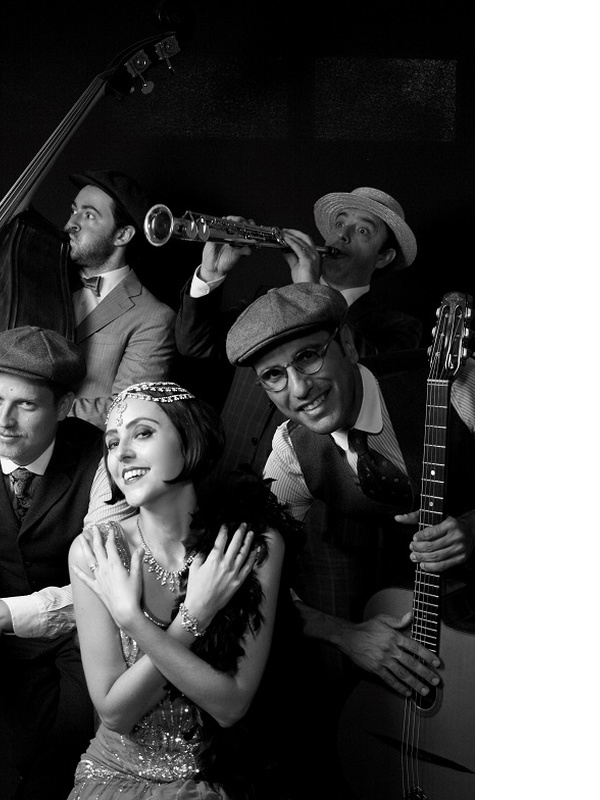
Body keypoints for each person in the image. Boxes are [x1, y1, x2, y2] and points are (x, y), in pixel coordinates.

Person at [225, 282, 474, 795]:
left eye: (308, 357)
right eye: (274, 375)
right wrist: (343, 634)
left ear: (349, 345)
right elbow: (248, 574)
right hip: (434, 632)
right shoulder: (292, 452)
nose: (299, 389)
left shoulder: (457, 385)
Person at [67, 381, 304, 800]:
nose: (122, 453)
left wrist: (134, 620)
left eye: (142, 433)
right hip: (115, 776)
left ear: (189, 439)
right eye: (112, 442)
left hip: (223, 779)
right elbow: (114, 713)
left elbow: (230, 706)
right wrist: (190, 617)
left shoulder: (251, 546)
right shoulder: (96, 553)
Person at [0, 325, 129, 800]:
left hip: (83, 634)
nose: (3, 420)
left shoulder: (106, 460)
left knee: (63, 758)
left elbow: (107, 585)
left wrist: (3, 614)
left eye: (26, 405)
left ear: (64, 406)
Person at [175, 186, 422, 478]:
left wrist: (310, 292)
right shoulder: (267, 299)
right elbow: (195, 343)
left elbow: (373, 385)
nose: (343, 235)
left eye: (363, 231)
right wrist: (211, 273)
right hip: (224, 473)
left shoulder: (399, 327)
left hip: (302, 485)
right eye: (339, 224)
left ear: (384, 257)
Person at [0, 168, 177, 430]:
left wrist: (19, 406)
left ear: (122, 235)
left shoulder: (153, 317)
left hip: (71, 449)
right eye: (74, 210)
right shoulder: (35, 282)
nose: (71, 223)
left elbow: (128, 408)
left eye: (89, 215)